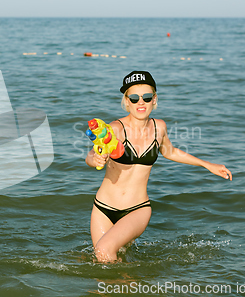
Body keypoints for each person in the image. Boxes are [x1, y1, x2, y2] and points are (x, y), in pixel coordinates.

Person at [85, 71, 232, 263]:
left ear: (154, 100)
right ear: (126, 101)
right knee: (107, 262)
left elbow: (170, 152)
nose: (141, 102)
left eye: (146, 97)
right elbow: (93, 152)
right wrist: (95, 159)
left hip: (137, 209)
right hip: (103, 208)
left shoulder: (159, 127)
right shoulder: (115, 128)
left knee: (104, 250)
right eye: (134, 98)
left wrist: (207, 164)